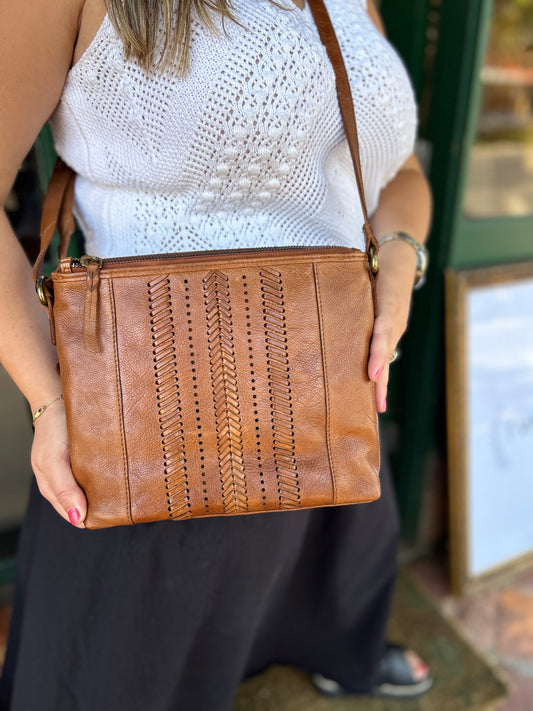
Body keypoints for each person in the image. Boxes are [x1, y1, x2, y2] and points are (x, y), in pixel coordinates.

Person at [0, 0, 433, 708]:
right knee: (125, 659)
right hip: (151, 394)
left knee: (319, 554)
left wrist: (398, 253)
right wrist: (47, 396)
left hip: (326, 373)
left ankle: (323, 649)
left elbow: (399, 173)